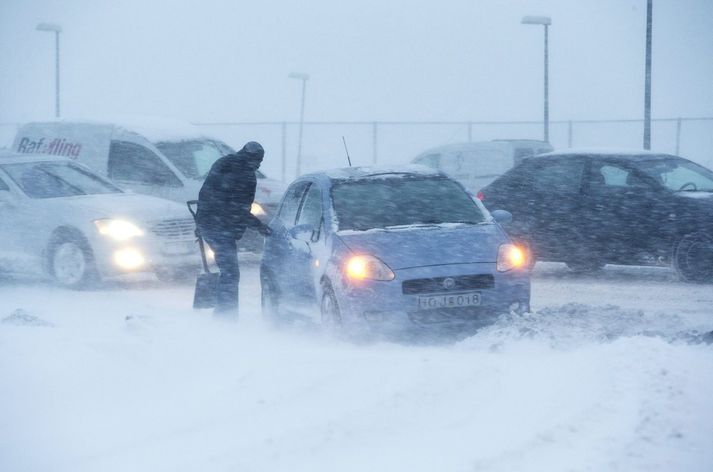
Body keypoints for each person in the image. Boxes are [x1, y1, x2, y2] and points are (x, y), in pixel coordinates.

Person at [195, 141, 272, 315]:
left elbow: (205, 194)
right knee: (230, 272)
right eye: (257, 160)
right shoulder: (243, 174)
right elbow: (236, 207)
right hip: (220, 226)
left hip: (211, 223)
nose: (258, 164)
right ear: (251, 158)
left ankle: (225, 311)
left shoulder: (224, 163)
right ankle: (226, 315)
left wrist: (200, 222)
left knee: (227, 270)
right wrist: (258, 226)